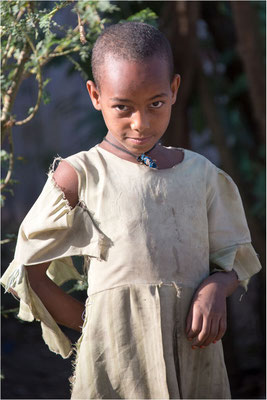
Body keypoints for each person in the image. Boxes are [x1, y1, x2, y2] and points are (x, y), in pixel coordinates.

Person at [1, 22, 262, 399]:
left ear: (174, 90)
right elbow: (29, 272)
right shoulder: (79, 176)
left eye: (156, 103)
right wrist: (98, 327)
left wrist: (215, 288)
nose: (140, 123)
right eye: (122, 107)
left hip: (194, 359)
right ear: (95, 95)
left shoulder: (202, 175)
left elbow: (236, 258)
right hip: (117, 370)